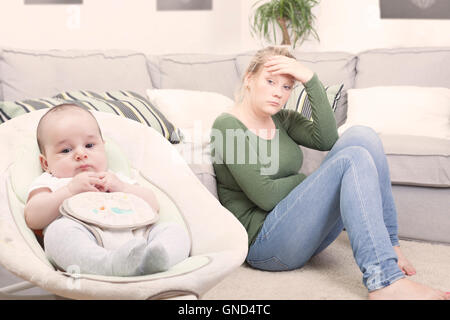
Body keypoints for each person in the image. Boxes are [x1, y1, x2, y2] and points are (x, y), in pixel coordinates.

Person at [211, 46, 449, 300]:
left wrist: (310, 79)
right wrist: (307, 180)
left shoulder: (282, 118)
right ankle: (384, 283)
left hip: (300, 232)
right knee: (352, 158)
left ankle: (390, 244)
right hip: (265, 245)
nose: (278, 93)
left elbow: (326, 139)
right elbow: (266, 197)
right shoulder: (226, 126)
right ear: (249, 78)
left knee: (362, 135)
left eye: (287, 87)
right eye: (270, 82)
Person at [25, 104, 190, 277]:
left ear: (103, 147)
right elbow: (33, 217)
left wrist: (122, 187)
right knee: (57, 234)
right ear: (46, 164)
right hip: (85, 237)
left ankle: (158, 260)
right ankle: (109, 265)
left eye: (89, 145)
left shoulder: (115, 178)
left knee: (173, 230)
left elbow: (153, 205)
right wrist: (69, 190)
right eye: (66, 150)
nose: (81, 154)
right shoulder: (53, 181)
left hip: (136, 236)